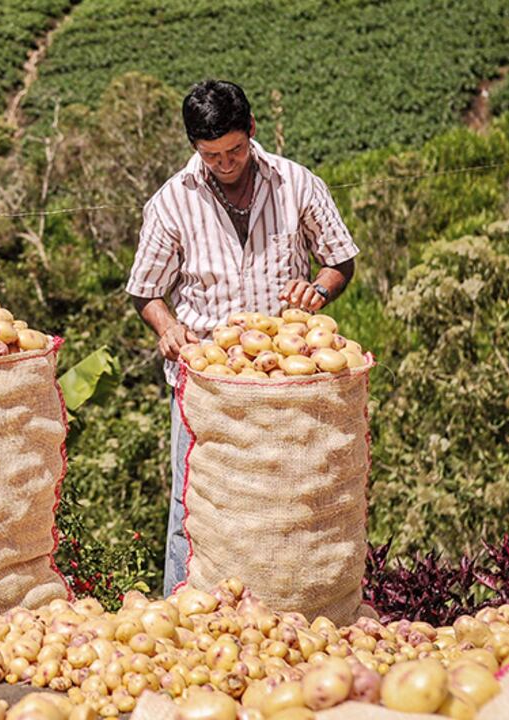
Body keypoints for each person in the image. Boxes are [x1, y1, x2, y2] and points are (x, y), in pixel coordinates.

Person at [126, 79, 360, 596]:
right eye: (213, 155)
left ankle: (291, 604)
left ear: (251, 131)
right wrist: (168, 330)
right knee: (195, 503)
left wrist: (318, 290)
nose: (226, 163)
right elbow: (147, 292)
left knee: (295, 500)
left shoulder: (297, 184)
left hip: (287, 382)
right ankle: (183, 609)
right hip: (208, 384)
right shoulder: (170, 204)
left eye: (235, 150)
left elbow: (339, 258)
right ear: (195, 147)